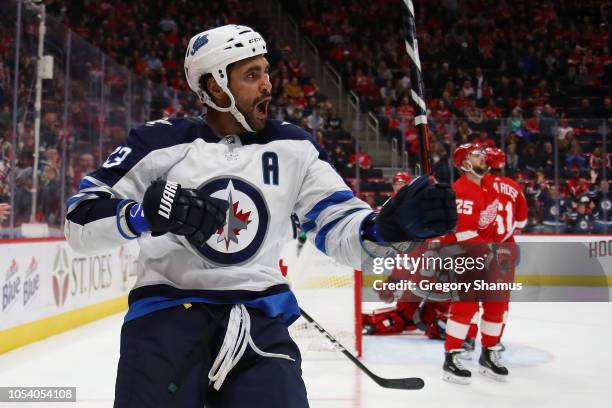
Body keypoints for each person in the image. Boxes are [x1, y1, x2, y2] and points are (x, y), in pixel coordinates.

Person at [64, 25, 457, 408]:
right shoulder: (157, 142)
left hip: (260, 323)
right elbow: (79, 221)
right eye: (253, 75)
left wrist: (387, 228)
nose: (269, 85)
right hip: (166, 320)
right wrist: (143, 215)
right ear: (216, 85)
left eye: (266, 72)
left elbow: (341, 230)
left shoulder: (295, 147)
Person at [441, 143, 508, 384]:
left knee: (496, 305)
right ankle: (451, 358)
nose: (483, 157)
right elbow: (465, 233)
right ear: (465, 163)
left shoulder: (487, 186)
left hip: (485, 253)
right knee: (466, 308)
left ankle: (489, 354)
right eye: (476, 155)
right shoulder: (463, 190)